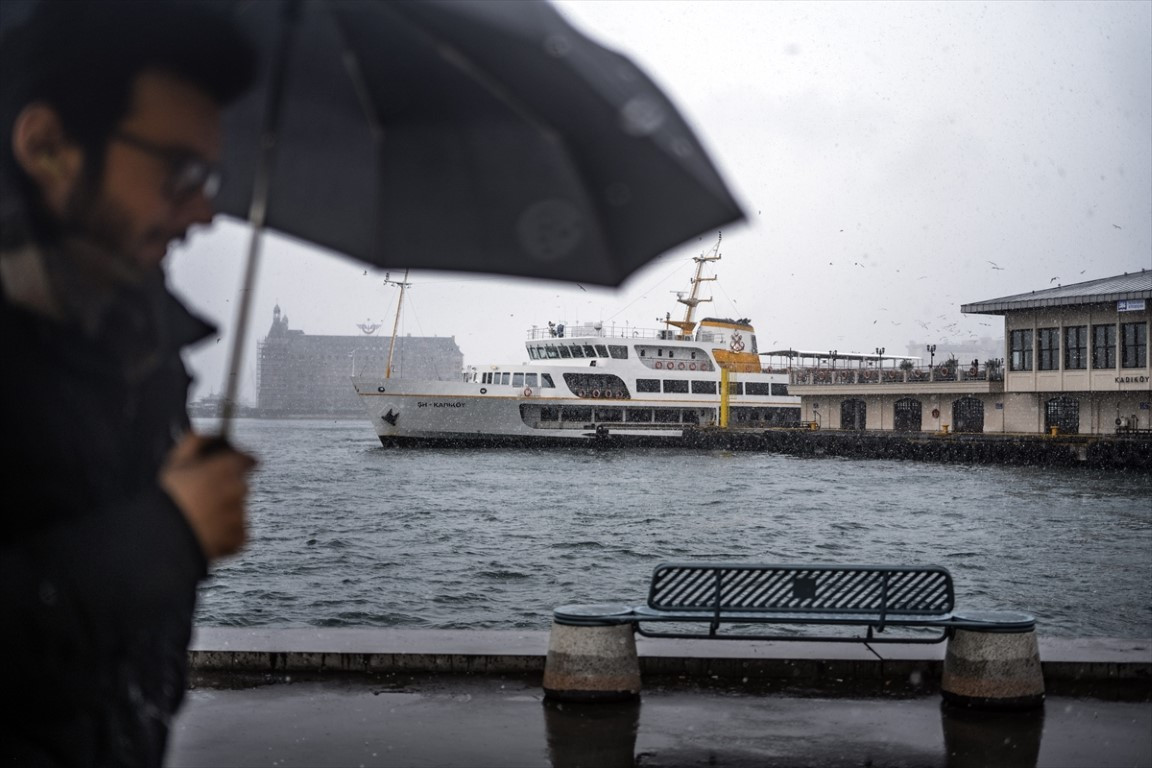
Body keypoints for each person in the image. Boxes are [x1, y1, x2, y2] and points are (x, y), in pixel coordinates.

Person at [0, 2, 258, 764]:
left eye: (209, 176)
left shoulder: (143, 350)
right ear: (47, 147)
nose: (206, 210)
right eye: (181, 172)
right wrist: (169, 533)